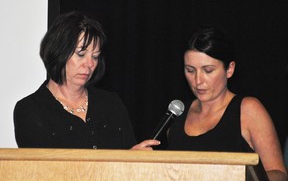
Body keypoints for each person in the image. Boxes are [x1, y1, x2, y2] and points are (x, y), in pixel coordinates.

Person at [14, 11, 159, 150]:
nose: (90, 64)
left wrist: (132, 158)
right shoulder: (30, 110)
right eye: (81, 54)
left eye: (95, 57)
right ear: (58, 52)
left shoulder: (111, 104)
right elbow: (43, 171)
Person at [167, 27, 287, 180]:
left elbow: (279, 175)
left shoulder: (248, 110)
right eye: (190, 70)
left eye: (208, 70)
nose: (198, 81)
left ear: (229, 69)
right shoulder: (178, 115)